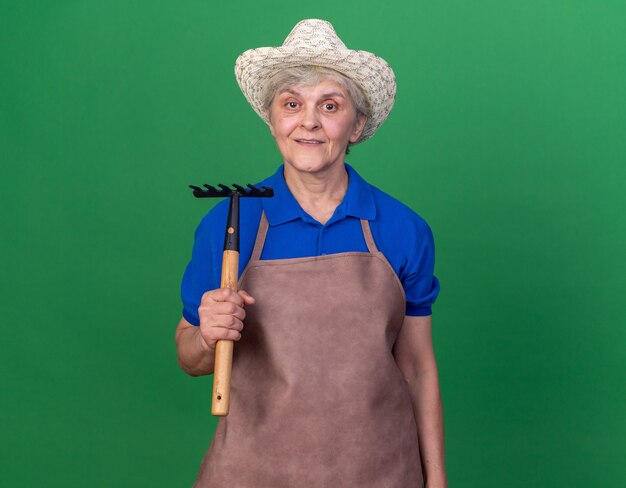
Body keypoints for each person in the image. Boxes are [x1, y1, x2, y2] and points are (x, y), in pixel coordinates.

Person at [175, 19, 447, 488]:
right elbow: (190, 356)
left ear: (357, 124)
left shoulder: (403, 230)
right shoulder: (228, 224)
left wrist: (437, 480)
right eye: (292, 104)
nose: (309, 122)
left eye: (330, 105)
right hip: (252, 472)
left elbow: (418, 369)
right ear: (272, 118)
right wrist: (204, 338)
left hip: (380, 471)